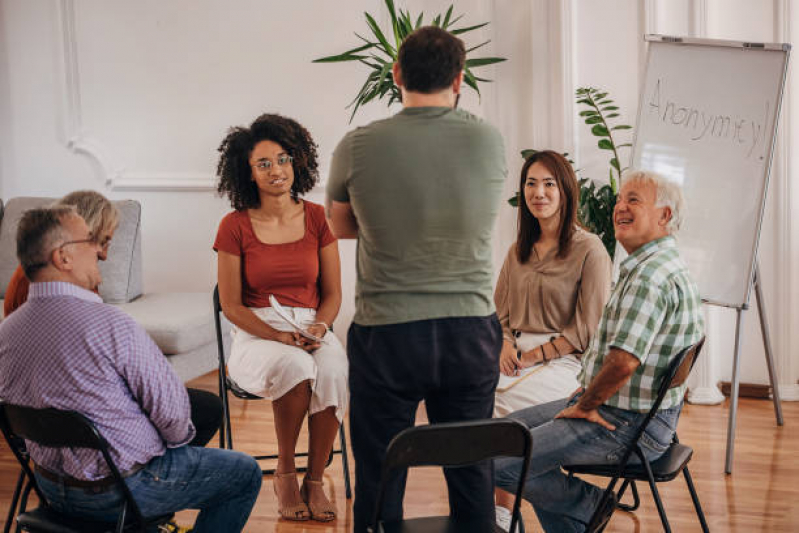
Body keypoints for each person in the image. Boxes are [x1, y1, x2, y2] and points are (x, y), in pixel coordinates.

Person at [326, 26, 507, 532]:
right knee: (472, 472)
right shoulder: (488, 140)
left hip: (388, 336)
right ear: (460, 78)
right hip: (470, 333)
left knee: (381, 474)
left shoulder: (358, 145)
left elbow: (341, 225)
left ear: (396, 74)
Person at [0, 206, 262, 532]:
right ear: (63, 257)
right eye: (91, 241)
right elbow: (174, 417)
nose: (101, 251)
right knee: (243, 473)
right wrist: (161, 444)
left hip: (50, 487)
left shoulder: (7, 332)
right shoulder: (111, 325)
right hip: (118, 493)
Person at [494, 170, 704, 533]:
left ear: (664, 216)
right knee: (500, 435)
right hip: (630, 413)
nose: (619, 207)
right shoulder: (657, 265)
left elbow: (623, 363)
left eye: (633, 200)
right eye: (620, 199)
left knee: (496, 460)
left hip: (625, 423)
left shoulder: (649, 278)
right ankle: (579, 518)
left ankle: (590, 504)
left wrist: (587, 404)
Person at [2, 190, 222, 449]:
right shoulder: (52, 291)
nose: (105, 254)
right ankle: (156, 476)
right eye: (102, 241)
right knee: (200, 411)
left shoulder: (43, 285)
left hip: (52, 419)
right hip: (74, 417)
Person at [214, 113, 347, 523]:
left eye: (284, 159)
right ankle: (285, 474)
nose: (277, 171)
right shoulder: (234, 225)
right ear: (247, 173)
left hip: (310, 326)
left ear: (298, 161)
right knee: (295, 366)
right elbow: (231, 305)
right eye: (264, 164)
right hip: (256, 332)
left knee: (334, 369)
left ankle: (315, 478)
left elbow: (333, 294)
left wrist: (319, 327)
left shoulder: (315, 217)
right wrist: (278, 336)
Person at [493, 151, 612, 530]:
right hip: (513, 357)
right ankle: (551, 518)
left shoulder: (590, 249)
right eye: (531, 183)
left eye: (548, 184)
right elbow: (499, 315)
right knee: (473, 406)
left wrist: (533, 356)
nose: (538, 192)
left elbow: (586, 330)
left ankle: (505, 515)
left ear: (565, 191)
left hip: (567, 363)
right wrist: (506, 344)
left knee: (503, 416)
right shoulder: (517, 251)